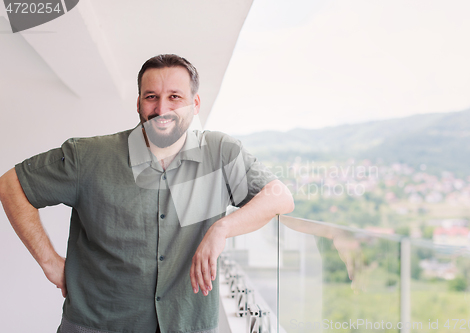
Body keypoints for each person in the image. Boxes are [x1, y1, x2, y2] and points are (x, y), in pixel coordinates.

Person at [0, 54, 294, 333]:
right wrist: (50, 262)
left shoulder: (220, 152)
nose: (162, 109)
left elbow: (280, 197)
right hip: (96, 323)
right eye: (151, 96)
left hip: (187, 324)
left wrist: (222, 228)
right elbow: (11, 184)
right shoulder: (87, 156)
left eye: (174, 97)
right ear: (138, 102)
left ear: (195, 104)